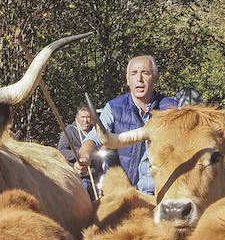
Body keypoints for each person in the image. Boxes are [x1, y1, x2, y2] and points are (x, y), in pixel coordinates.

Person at [80, 55, 178, 193]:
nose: (139, 79)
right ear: (127, 79)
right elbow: (94, 137)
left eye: (145, 73)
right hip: (118, 192)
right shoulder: (114, 107)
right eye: (134, 73)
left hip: (159, 192)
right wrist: (84, 156)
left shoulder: (172, 109)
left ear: (156, 77)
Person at [56, 104, 96, 195]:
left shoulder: (95, 131)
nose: (85, 120)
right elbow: (61, 151)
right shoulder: (69, 131)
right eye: (83, 117)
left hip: (96, 175)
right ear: (77, 117)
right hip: (79, 176)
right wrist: (80, 152)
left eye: (88, 117)